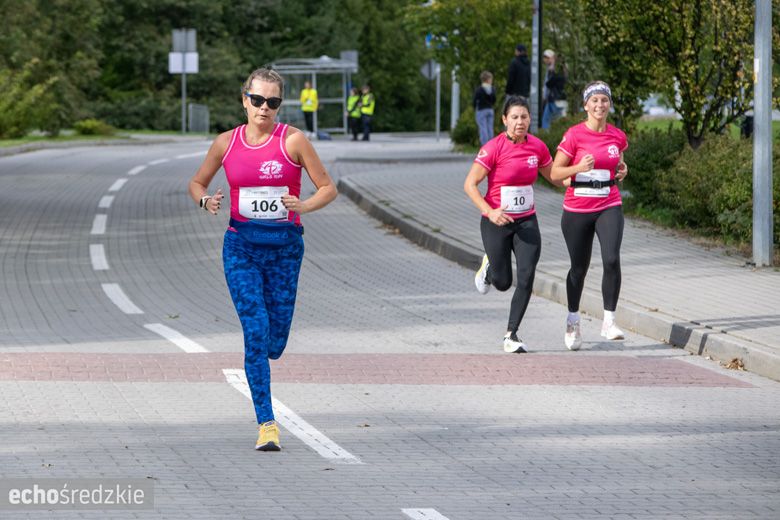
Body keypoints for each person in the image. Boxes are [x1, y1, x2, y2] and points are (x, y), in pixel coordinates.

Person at [188, 68, 337, 450]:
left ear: (279, 105)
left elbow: (328, 188)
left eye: (272, 102)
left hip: (285, 250)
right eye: (257, 100)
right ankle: (266, 423)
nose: (264, 108)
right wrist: (206, 200)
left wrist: (303, 205)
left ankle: (270, 351)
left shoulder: (294, 141)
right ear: (244, 99)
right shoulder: (226, 142)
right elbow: (197, 182)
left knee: (275, 342)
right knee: (255, 332)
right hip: (241, 248)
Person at [464, 96, 560, 353]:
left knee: (527, 275)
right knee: (503, 282)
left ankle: (511, 334)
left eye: (524, 117)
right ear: (504, 120)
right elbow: (469, 185)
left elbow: (555, 178)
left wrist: (585, 177)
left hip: (526, 221)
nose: (520, 122)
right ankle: (488, 267)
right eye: (515, 117)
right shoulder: (493, 148)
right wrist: (490, 211)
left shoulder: (537, 147)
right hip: (496, 221)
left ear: (530, 119)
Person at [549, 81, 629, 351]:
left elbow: (616, 162)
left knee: (612, 258)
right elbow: (555, 173)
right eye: (594, 101)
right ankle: (573, 320)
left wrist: (621, 169)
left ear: (609, 104)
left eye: (604, 100)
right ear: (585, 105)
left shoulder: (617, 136)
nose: (599, 105)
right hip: (577, 208)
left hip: (609, 202)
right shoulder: (574, 135)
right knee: (579, 269)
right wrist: (577, 167)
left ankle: (609, 321)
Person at [540, 49, 567, 129]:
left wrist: (545, 96)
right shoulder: (561, 70)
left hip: (554, 98)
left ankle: (547, 137)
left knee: (546, 120)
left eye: (547, 58)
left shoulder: (553, 70)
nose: (545, 60)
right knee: (555, 120)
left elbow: (549, 83)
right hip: (559, 99)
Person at [473, 71, 496, 146]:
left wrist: (474, 107)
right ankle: (491, 145)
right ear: (488, 79)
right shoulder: (492, 89)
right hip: (490, 109)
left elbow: (474, 100)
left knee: (483, 128)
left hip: (481, 110)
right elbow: (494, 100)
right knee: (490, 128)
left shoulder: (479, 89)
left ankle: (485, 145)